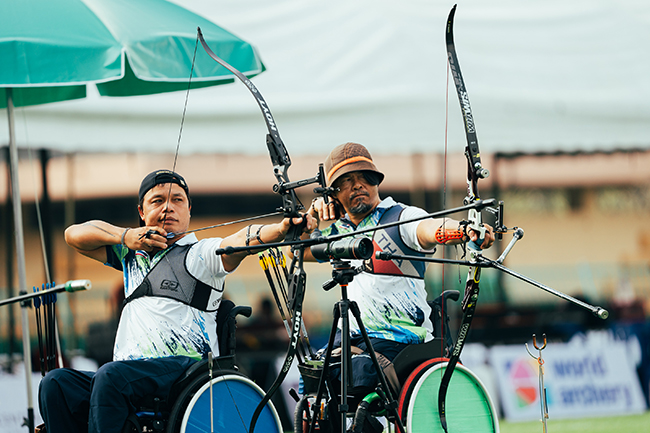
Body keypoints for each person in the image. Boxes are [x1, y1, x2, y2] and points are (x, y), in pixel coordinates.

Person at [38, 169, 315, 433]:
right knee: (56, 383)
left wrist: (281, 229)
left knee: (111, 378)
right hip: (128, 376)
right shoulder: (129, 256)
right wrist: (125, 236)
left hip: (181, 370)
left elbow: (242, 239)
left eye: (177, 200)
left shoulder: (201, 254)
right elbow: (73, 235)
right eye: (157, 200)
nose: (168, 207)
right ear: (141, 212)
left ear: (188, 210)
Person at [306, 142, 495, 397]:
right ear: (332, 194)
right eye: (346, 181)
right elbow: (294, 252)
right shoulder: (337, 232)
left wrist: (464, 231)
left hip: (399, 341)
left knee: (361, 374)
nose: (358, 185)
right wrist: (309, 220)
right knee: (312, 377)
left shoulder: (401, 217)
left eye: (365, 177)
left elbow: (430, 229)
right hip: (350, 340)